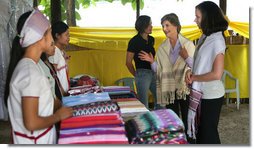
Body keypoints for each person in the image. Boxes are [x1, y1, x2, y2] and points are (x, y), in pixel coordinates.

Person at [5, 9, 73, 144]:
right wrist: (58, 116)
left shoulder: (33, 67)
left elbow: (44, 99)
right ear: (39, 37)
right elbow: (31, 123)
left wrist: (63, 105)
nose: (52, 38)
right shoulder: (29, 72)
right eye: (49, 32)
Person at [138, 13, 195, 136]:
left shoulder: (188, 44)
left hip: (184, 88)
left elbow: (195, 67)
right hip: (169, 89)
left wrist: (186, 57)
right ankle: (176, 140)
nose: (164, 29)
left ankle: (190, 141)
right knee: (173, 119)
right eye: (163, 26)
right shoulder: (163, 47)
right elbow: (158, 70)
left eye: (167, 25)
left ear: (176, 26)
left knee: (187, 118)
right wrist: (152, 61)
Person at [185, 1, 228, 144]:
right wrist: (191, 73)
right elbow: (201, 64)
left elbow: (217, 74)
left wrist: (194, 77)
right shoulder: (205, 37)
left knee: (208, 134)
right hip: (202, 91)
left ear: (208, 18)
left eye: (197, 17)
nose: (195, 20)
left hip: (211, 94)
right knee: (202, 133)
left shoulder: (217, 41)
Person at [126, 15, 157, 109]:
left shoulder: (151, 39)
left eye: (151, 24)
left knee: (161, 99)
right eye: (149, 24)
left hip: (154, 72)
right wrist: (137, 74)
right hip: (142, 73)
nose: (152, 26)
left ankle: (159, 121)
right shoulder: (134, 41)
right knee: (143, 103)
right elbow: (128, 62)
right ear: (143, 26)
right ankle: (145, 122)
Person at [48, 21, 70, 95]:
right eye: (66, 35)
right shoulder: (54, 52)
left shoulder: (60, 52)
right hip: (60, 96)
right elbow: (54, 78)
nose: (69, 38)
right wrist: (63, 93)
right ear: (57, 35)